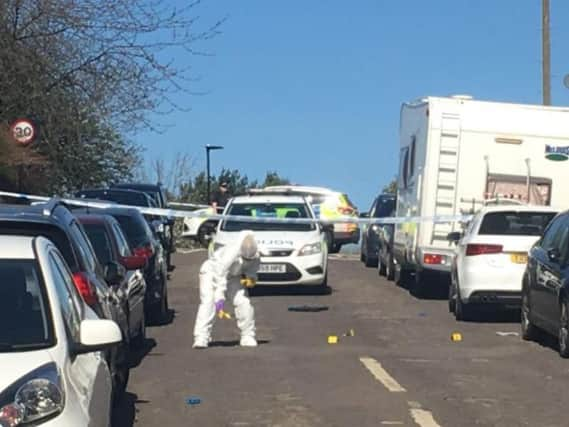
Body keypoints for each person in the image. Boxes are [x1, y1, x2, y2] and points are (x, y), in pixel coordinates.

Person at [193, 230, 260, 348]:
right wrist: (219, 303)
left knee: (244, 302)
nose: (248, 261)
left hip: (234, 276)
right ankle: (201, 337)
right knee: (209, 302)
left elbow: (252, 271)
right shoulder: (230, 254)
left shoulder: (255, 254)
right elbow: (220, 279)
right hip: (212, 273)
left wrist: (251, 280)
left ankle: (248, 335)